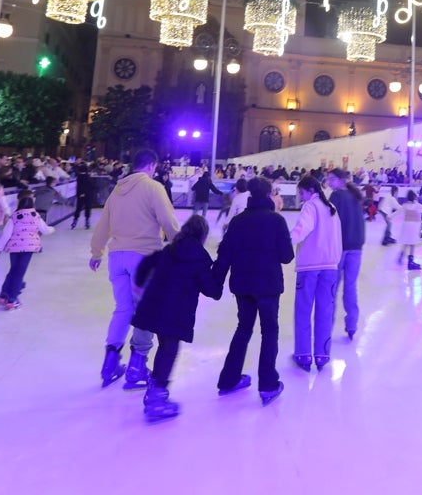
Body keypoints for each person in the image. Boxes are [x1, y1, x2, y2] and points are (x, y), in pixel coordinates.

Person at [89, 148, 180, 390]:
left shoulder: (117, 191)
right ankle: (137, 367)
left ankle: (110, 364)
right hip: (143, 256)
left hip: (116, 256)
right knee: (146, 311)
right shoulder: (153, 188)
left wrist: (96, 251)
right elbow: (168, 221)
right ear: (151, 166)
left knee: (123, 309)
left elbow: (103, 225)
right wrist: (179, 244)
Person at [129, 215, 223, 421]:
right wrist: (220, 271)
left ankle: (154, 389)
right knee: (169, 349)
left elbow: (146, 263)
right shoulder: (199, 259)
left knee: (164, 347)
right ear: (202, 236)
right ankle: (156, 399)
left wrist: (138, 283)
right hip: (176, 313)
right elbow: (213, 291)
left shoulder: (169, 250)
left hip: (154, 307)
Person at [212, 177, 293, 406]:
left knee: (243, 328)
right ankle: (268, 384)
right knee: (269, 331)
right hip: (268, 285)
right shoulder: (276, 221)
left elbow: (224, 254)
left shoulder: (238, 222)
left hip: (243, 285)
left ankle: (229, 379)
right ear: (268, 195)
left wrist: (214, 282)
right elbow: (287, 256)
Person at [290, 175, 342, 372]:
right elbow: (338, 238)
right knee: (325, 311)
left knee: (303, 311)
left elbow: (302, 229)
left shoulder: (310, 207)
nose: (301, 197)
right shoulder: (331, 209)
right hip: (329, 267)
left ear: (309, 191)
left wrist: (285, 241)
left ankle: (303, 355)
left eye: (302, 193)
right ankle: (322, 355)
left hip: (309, 267)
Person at [0, 190, 55, 310]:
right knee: (19, 273)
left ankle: (3, 295)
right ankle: (12, 299)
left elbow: (6, 235)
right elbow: (45, 230)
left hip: (15, 248)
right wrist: (52, 229)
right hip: (28, 248)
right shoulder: (36, 216)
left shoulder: (14, 216)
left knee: (13, 271)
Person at [327, 168, 365, 340]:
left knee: (332, 289)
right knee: (350, 287)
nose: (329, 182)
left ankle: (326, 325)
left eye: (332, 179)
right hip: (356, 248)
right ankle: (352, 324)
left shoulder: (336, 197)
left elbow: (330, 223)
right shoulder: (355, 196)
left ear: (341, 180)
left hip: (339, 248)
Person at [395, 190, 422, 270]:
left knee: (406, 242)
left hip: (406, 226)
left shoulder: (405, 205)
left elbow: (398, 212)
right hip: (414, 227)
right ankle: (410, 262)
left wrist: (390, 217)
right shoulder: (417, 205)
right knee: (412, 243)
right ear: (414, 197)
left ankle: (401, 254)